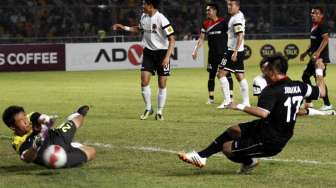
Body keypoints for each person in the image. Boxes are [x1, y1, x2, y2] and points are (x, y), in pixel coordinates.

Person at [178, 54, 326, 174]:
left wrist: (239, 105)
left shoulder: (271, 90)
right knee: (233, 129)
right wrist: (319, 71)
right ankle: (202, 156)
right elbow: (322, 92)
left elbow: (263, 113)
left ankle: (250, 162)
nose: (264, 75)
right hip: (269, 127)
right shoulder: (299, 86)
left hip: (271, 138)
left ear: (273, 72)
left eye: (266, 72)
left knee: (227, 148)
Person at [112, 0, 175, 120]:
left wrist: (167, 57)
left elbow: (172, 39)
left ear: (150, 6)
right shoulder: (144, 16)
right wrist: (124, 27)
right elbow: (138, 29)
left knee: (162, 84)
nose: (142, 6)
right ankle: (148, 108)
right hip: (148, 53)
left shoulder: (162, 19)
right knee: (144, 81)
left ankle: (160, 111)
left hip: (162, 53)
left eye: (144, 4)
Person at [2, 105, 96, 168]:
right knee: (92, 152)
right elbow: (27, 158)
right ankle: (74, 147)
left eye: (25, 116)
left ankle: (75, 115)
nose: (26, 121)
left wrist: (46, 120)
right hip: (54, 156)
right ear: (13, 127)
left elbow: (43, 118)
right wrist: (35, 147)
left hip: (56, 136)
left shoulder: (31, 117)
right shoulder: (18, 142)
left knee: (79, 118)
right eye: (21, 120)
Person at [253, 57, 335, 116]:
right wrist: (319, 70)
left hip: (283, 112)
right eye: (264, 69)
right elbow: (262, 106)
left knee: (290, 108)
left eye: (269, 69)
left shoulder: (292, 85)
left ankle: (322, 112)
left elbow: (321, 93)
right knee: (291, 109)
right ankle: (322, 113)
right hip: (277, 109)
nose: (266, 72)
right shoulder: (259, 80)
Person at [192, 3, 234, 104]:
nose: (207, 12)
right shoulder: (205, 23)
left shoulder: (223, 22)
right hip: (212, 54)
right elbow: (201, 38)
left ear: (215, 11)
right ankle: (211, 98)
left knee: (227, 75)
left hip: (224, 53)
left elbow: (230, 36)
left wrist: (230, 50)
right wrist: (195, 50)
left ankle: (230, 96)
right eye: (206, 10)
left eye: (209, 10)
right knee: (211, 75)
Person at [217, 0, 250, 109]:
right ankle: (246, 102)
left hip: (233, 51)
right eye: (228, 5)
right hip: (237, 50)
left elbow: (240, 35)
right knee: (239, 75)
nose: (229, 7)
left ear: (237, 6)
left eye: (231, 5)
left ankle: (227, 101)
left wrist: (235, 51)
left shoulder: (236, 19)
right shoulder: (240, 15)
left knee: (220, 73)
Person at [300, 6, 332, 111]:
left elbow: (326, 40)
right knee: (306, 76)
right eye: (312, 13)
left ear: (321, 15)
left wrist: (318, 53)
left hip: (320, 59)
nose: (313, 15)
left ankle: (327, 104)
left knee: (318, 79)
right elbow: (314, 43)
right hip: (314, 58)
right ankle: (309, 100)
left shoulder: (322, 25)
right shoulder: (314, 26)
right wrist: (305, 53)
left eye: (317, 13)